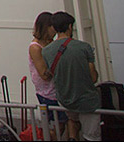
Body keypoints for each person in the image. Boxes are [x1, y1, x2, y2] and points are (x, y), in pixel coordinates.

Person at [42, 11, 100, 141]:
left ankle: (73, 139)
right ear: (69, 26)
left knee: (72, 120)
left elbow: (49, 73)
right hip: (86, 100)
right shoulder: (84, 47)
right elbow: (94, 77)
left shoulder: (46, 51)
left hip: (65, 99)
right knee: (92, 136)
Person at [28, 11, 67, 129]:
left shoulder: (51, 42)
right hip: (47, 92)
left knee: (63, 122)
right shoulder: (35, 47)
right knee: (56, 125)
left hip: (58, 89)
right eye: (52, 28)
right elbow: (44, 74)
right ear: (46, 27)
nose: (55, 31)